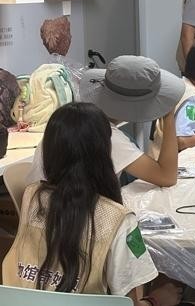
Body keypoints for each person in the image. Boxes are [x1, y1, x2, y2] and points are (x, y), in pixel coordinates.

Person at [3, 102, 182, 306]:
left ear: (49, 149)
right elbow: (129, 302)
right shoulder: (120, 220)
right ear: (105, 151)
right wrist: (155, 300)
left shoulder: (31, 197)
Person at [27, 55, 185, 188]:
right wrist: (168, 116)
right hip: (72, 214)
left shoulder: (72, 119)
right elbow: (167, 177)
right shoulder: (107, 137)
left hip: (45, 208)